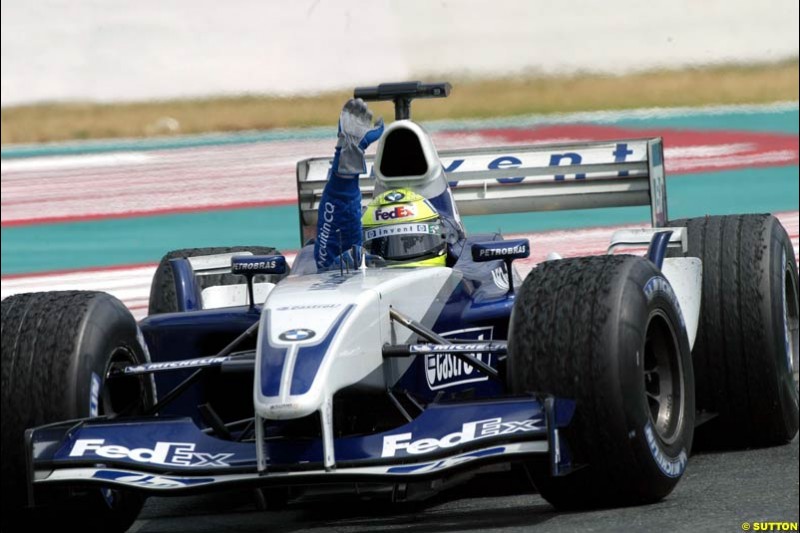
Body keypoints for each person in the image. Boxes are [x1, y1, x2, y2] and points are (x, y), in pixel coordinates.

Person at [313, 98, 451, 270]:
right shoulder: (352, 272)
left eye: (413, 242)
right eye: (388, 245)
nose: (403, 254)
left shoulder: (466, 266)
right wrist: (344, 175)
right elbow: (335, 259)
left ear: (441, 239)